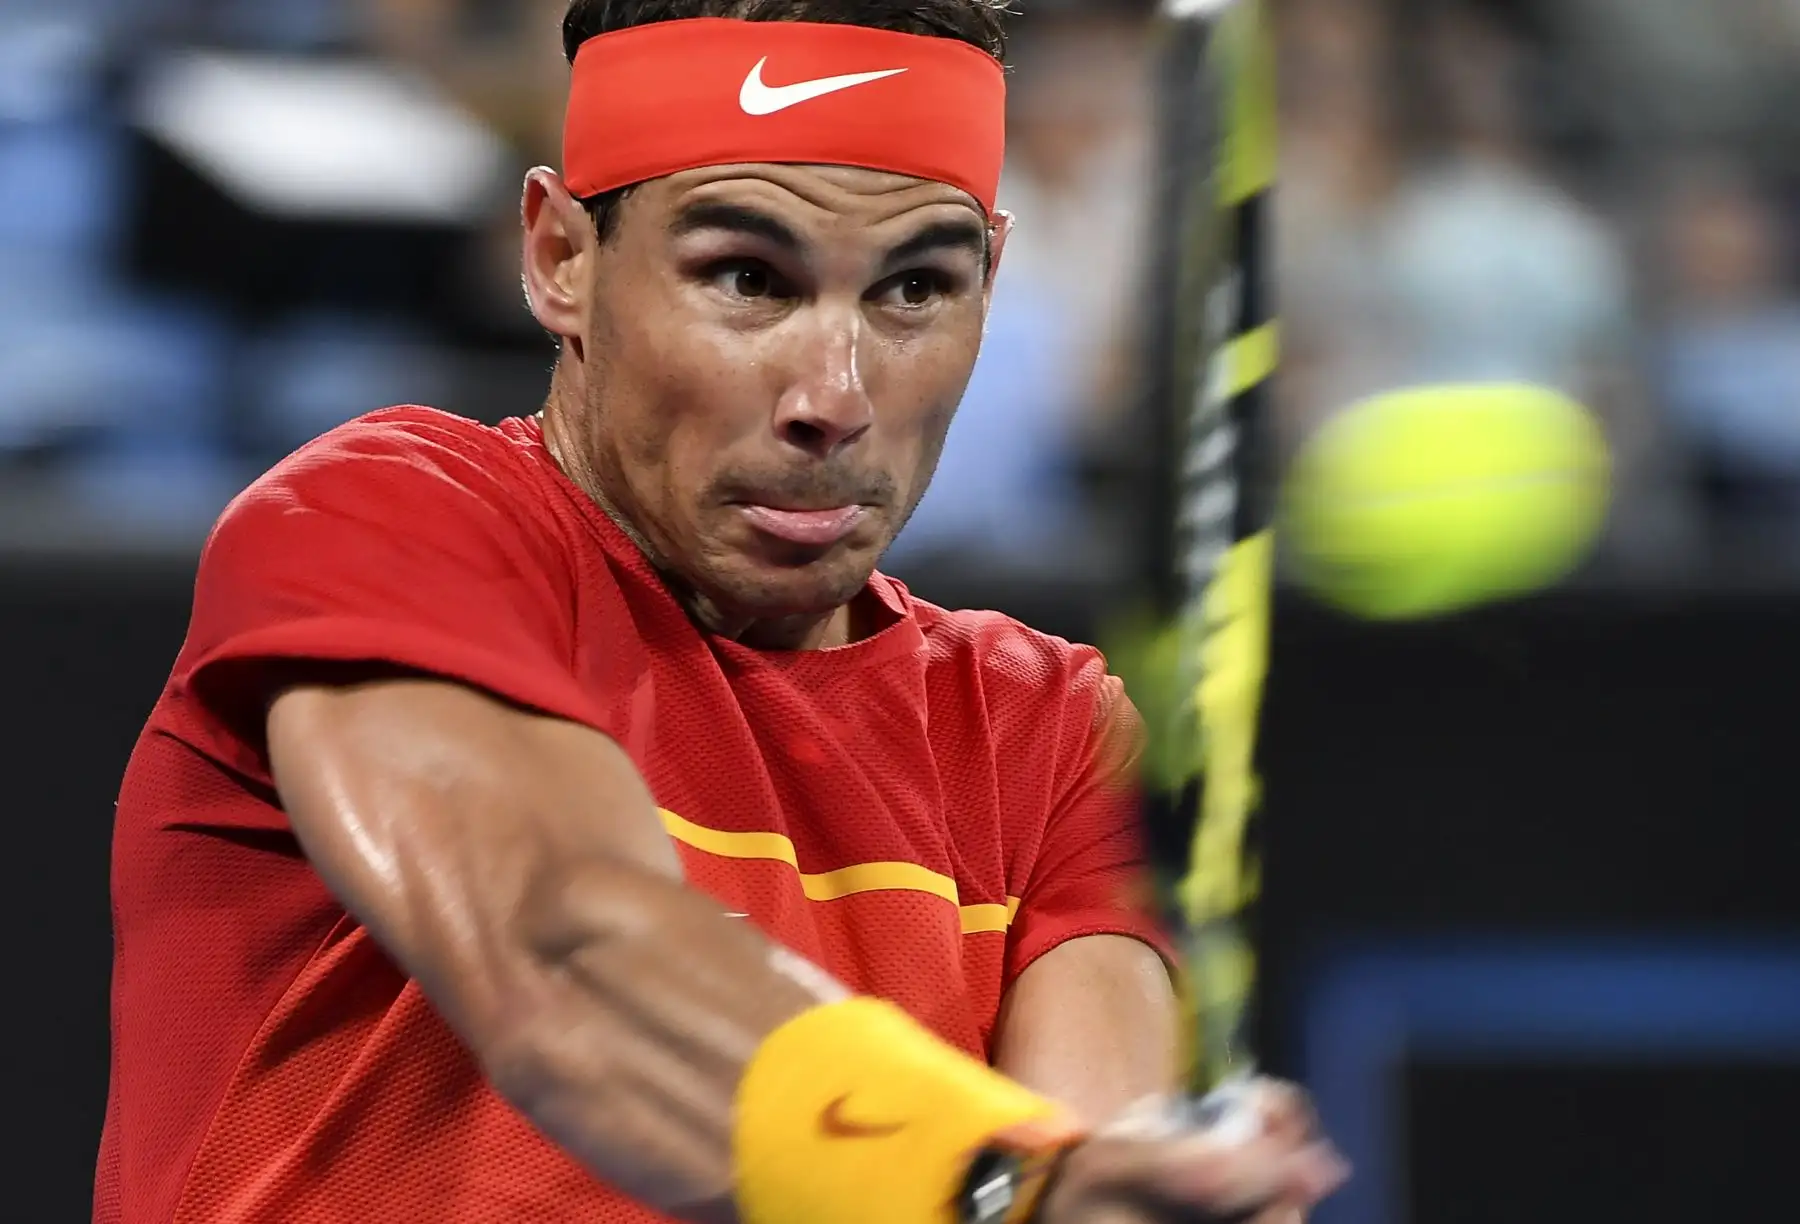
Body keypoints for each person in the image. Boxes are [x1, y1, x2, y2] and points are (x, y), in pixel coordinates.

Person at [96, 1, 1348, 1222]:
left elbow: (1087, 1164)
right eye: (748, 277)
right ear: (561, 259)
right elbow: (569, 962)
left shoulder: (1049, 732)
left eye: (915, 289)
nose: (835, 395)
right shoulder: (381, 524)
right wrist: (995, 1186)